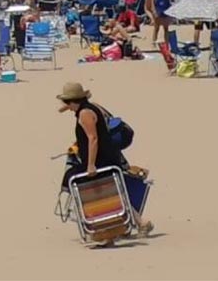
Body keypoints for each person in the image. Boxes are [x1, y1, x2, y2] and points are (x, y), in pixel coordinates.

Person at [56, 82, 153, 238]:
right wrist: (66, 107)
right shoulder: (88, 106)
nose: (66, 106)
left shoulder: (85, 114)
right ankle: (139, 222)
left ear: (73, 101)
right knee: (115, 191)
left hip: (102, 159)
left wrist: (91, 165)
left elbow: (93, 138)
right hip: (108, 156)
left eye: (67, 102)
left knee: (72, 177)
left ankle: (99, 222)